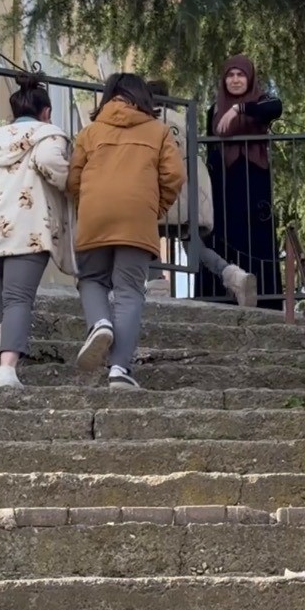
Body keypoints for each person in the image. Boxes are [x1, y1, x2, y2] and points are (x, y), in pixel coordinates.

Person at [67, 72, 185, 390]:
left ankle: (100, 322)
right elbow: (174, 176)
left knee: (91, 278)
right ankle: (119, 370)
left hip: (95, 214)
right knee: (130, 291)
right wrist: (153, 209)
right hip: (137, 218)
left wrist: (87, 205)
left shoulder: (89, 132)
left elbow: (73, 179)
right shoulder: (159, 132)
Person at [0, 74, 71, 389]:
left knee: (1, 283)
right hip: (27, 227)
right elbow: (51, 162)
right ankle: (7, 368)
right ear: (46, 112)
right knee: (19, 296)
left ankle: (2, 343)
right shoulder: (48, 134)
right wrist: (71, 183)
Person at [146, 79, 256, 306]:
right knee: (194, 245)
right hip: (188, 194)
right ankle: (233, 275)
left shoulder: (149, 121)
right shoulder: (181, 121)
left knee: (148, 235)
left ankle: (157, 283)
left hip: (159, 191)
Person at [204, 54, 283, 309]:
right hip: (223, 183)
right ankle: (221, 296)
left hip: (253, 180)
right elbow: (211, 147)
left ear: (249, 79)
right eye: (230, 75)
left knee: (256, 238)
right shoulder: (214, 109)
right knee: (222, 235)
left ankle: (263, 299)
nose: (235, 80)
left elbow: (276, 108)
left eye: (241, 75)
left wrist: (240, 109)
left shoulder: (261, 101)